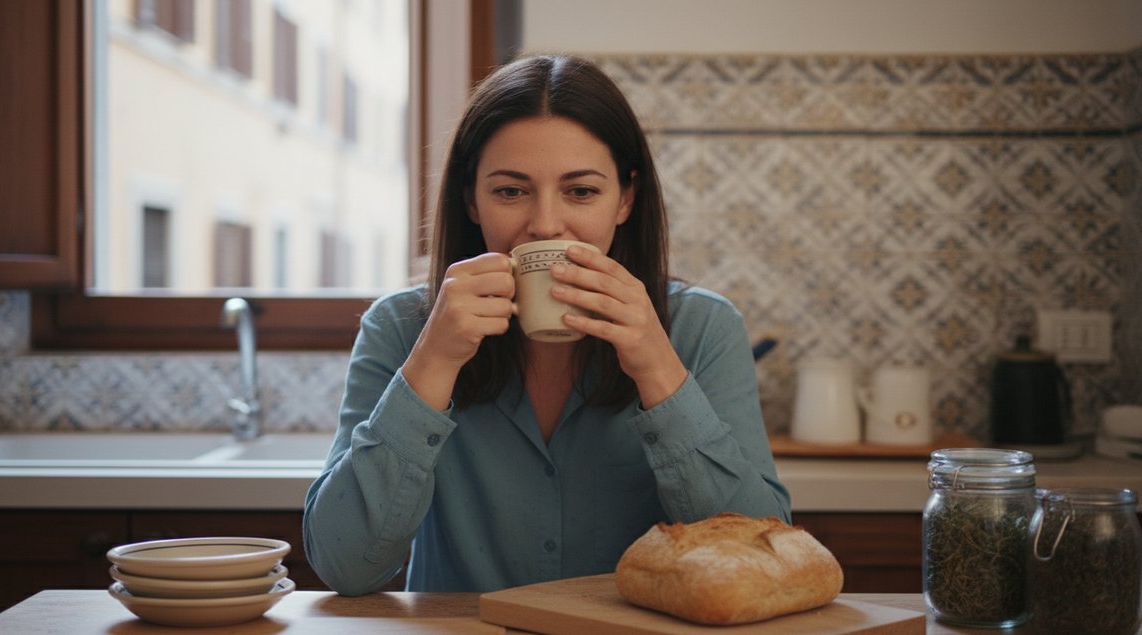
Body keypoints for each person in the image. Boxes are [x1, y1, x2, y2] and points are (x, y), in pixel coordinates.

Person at [303, 54, 791, 595]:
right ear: (471, 200)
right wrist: (434, 362)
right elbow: (345, 567)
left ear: (625, 199)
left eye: (581, 191)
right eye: (510, 191)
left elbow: (761, 560)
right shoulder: (401, 328)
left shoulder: (702, 327)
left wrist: (659, 370)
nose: (545, 224)